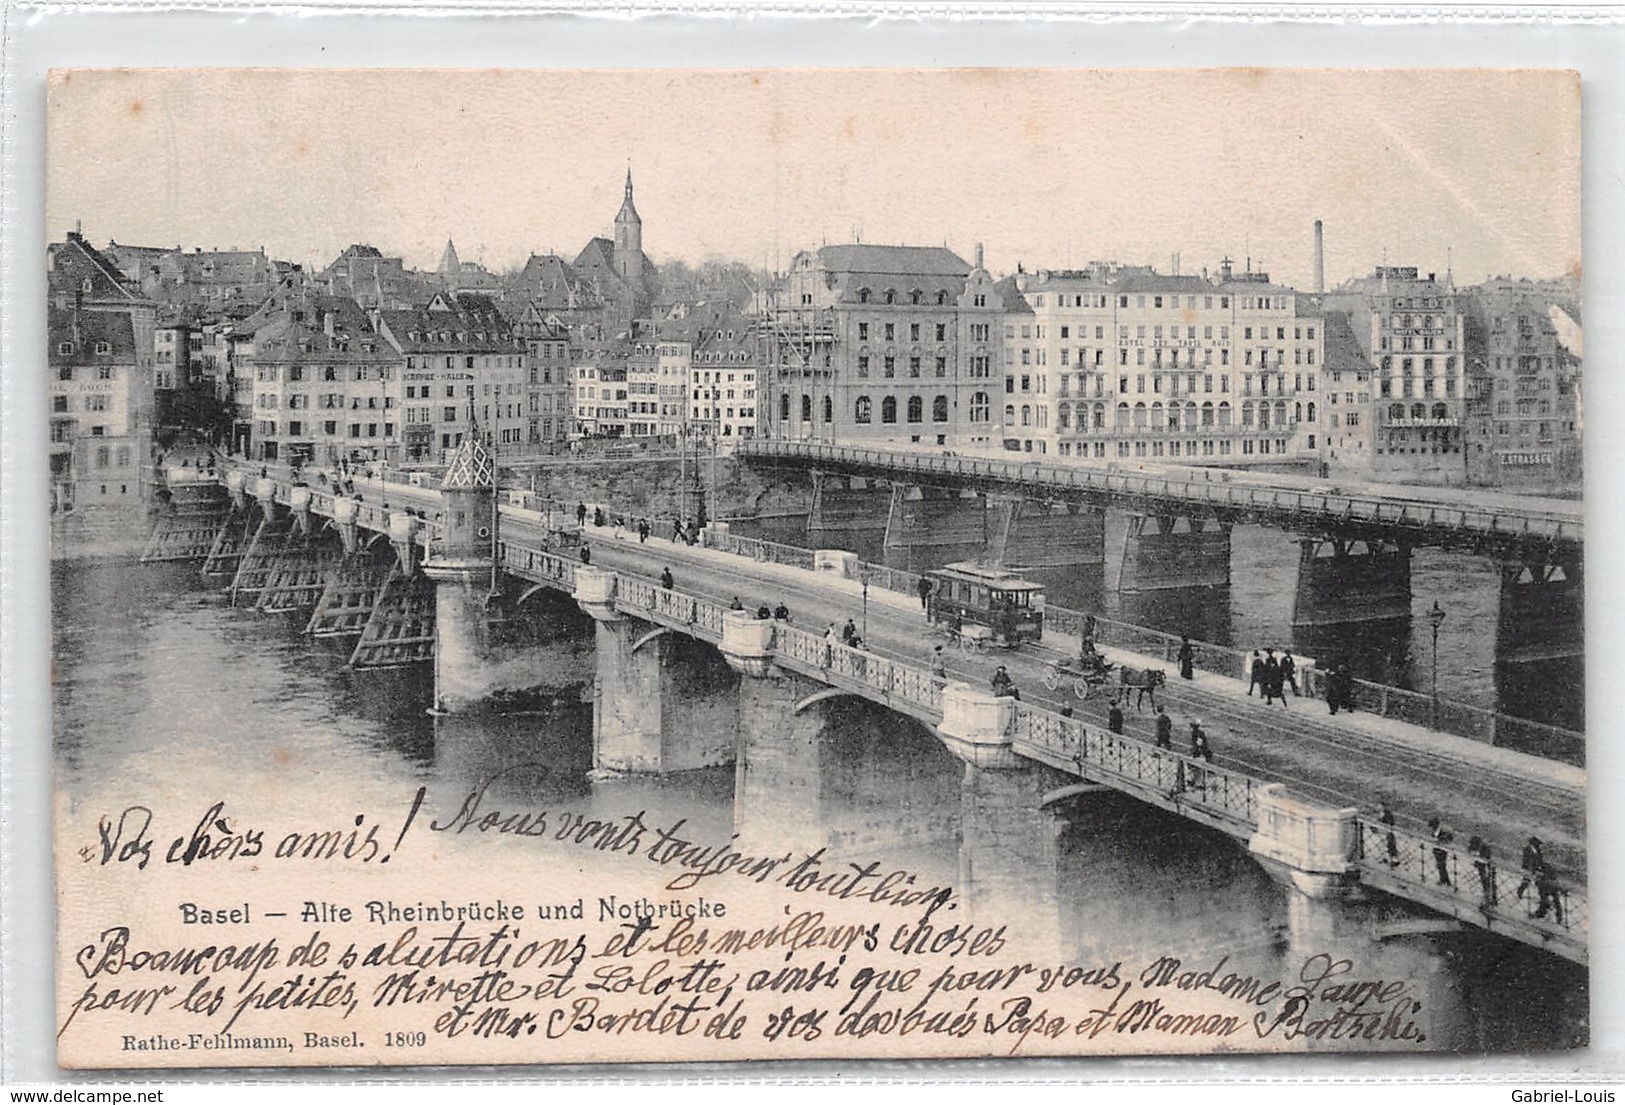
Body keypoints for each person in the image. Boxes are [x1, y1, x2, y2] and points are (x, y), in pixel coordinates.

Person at [1470, 837, 1497, 908]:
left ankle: (1489, 901)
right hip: (1485, 869)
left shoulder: (1486, 848)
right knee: (1488, 884)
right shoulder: (1484, 847)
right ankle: (1491, 900)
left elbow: (1484, 858)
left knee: (1488, 884)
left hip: (1487, 869)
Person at [1516, 836, 1545, 903]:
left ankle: (1542, 898)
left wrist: (1540, 867)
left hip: (1535, 868)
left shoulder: (1538, 850)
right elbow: (1526, 859)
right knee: (1526, 881)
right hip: (1529, 867)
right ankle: (1520, 892)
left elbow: (1540, 859)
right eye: (1537, 843)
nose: (1538, 845)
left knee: (1538, 882)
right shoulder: (1527, 849)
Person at [1428, 817, 1454, 886]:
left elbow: (1445, 840)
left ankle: (1445, 881)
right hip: (1438, 848)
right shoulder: (1439, 829)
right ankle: (1445, 880)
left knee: (1441, 865)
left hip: (1442, 849)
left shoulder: (1444, 830)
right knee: (1441, 865)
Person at [1377, 803, 1400, 867]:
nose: (1378, 807)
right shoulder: (1381, 813)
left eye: (1379, 806)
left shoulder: (1388, 814)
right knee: (1384, 845)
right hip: (1383, 831)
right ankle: (1386, 858)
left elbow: (1389, 823)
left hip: (1387, 832)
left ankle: (1393, 859)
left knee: (1390, 845)